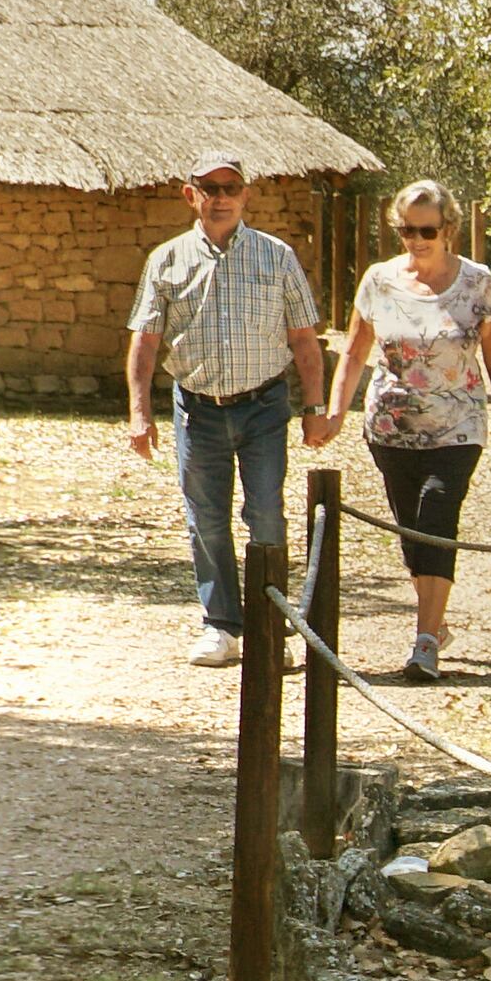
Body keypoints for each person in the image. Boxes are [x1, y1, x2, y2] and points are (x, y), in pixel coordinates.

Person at [124, 153, 328, 665]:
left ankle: (270, 629)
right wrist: (139, 413)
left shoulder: (276, 257)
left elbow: (304, 339)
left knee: (265, 513)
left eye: (229, 188)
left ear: (245, 195)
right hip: (198, 409)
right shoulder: (166, 261)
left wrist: (316, 406)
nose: (219, 198)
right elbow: (145, 342)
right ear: (189, 195)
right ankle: (221, 626)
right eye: (208, 188)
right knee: (207, 519)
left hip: (263, 405)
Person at [332, 179, 491, 679]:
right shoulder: (378, 280)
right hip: (391, 428)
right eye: (407, 230)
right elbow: (354, 352)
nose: (416, 239)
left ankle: (425, 642)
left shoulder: (477, 283)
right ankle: (436, 617)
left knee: (437, 516)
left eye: (427, 229)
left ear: (449, 229)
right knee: (412, 534)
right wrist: (333, 411)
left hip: (458, 427)